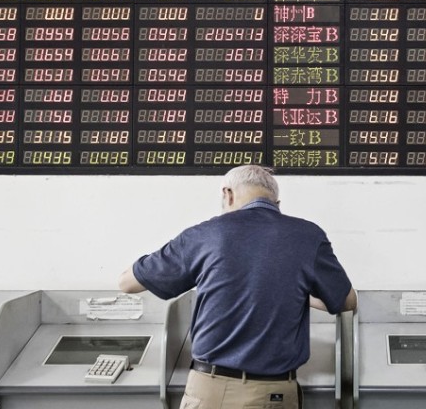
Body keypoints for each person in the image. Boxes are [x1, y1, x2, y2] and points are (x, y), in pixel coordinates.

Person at [119, 164, 357, 409]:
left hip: (209, 391)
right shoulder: (308, 235)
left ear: (228, 194)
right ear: (276, 203)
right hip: (275, 393)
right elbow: (347, 301)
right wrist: (295, 291)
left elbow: (127, 283)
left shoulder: (204, 234)